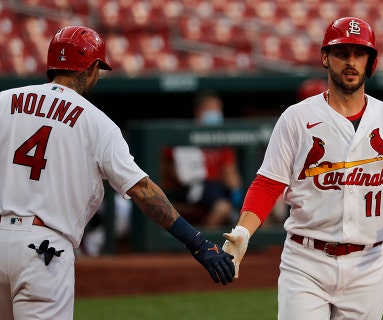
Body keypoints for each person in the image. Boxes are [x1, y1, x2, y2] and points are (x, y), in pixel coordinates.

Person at [0, 25, 234, 319]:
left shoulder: (4, 101)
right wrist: (196, 242)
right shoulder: (98, 122)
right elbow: (141, 189)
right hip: (43, 247)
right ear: (92, 67)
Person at [221, 17, 383, 319]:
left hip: (368, 264)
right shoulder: (296, 118)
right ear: (326, 58)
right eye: (342, 53)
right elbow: (268, 183)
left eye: (359, 53)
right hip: (306, 259)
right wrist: (243, 231)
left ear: (371, 62)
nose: (351, 61)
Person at [162, 90, 243, 227]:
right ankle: (203, 246)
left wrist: (237, 192)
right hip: (193, 189)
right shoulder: (184, 136)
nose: (216, 113)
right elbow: (175, 175)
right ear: (199, 111)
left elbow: (231, 174)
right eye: (211, 109)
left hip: (217, 189)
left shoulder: (222, 139)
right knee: (222, 208)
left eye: (218, 109)